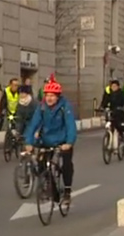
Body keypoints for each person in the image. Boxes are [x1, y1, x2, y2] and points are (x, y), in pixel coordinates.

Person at [24, 74, 77, 205]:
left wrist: (69, 143)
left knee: (66, 163)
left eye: (52, 95)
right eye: (47, 95)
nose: (49, 98)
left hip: (62, 141)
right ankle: (50, 187)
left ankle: (67, 191)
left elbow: (71, 125)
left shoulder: (65, 107)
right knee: (42, 163)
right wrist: (29, 142)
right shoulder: (41, 107)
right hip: (46, 140)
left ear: (58, 97)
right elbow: (33, 125)